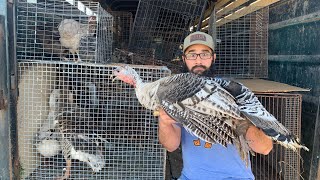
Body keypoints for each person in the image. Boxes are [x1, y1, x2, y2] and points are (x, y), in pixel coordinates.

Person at [158, 31, 273, 180]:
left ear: (213, 58)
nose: (198, 61)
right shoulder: (178, 96)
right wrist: (164, 122)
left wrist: (240, 122)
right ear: (183, 59)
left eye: (204, 54)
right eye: (192, 54)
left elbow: (265, 148)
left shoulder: (234, 92)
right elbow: (171, 146)